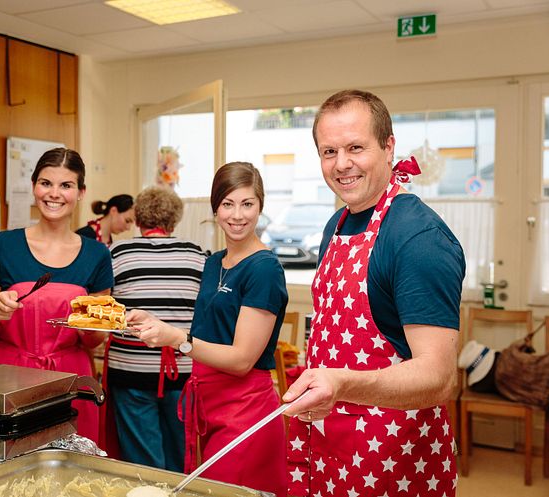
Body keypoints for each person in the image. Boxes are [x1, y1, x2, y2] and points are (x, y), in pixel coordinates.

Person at [283, 90, 465, 497]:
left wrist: (341, 385)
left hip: (391, 457)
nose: (341, 164)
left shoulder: (418, 238)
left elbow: (438, 377)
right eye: (328, 151)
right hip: (330, 441)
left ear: (388, 147)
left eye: (355, 148)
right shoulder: (336, 225)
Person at [127, 162, 289, 497]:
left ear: (261, 206)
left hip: (246, 410)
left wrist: (177, 340)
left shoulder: (264, 269)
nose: (238, 215)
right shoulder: (214, 261)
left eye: (248, 204)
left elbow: (242, 359)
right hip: (208, 404)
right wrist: (153, 321)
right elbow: (210, 328)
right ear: (215, 207)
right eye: (228, 204)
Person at [0, 148, 113, 442]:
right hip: (9, 377)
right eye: (46, 183)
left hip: (72, 378)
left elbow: (95, 339)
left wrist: (90, 325)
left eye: (66, 185)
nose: (54, 194)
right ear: (34, 186)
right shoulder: (2, 246)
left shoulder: (97, 254)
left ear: (81, 192)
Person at [104, 185, 206, 471]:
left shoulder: (117, 252)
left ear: (137, 219)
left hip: (130, 370)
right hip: (184, 370)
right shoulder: (197, 255)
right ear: (174, 221)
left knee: (141, 463)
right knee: (179, 456)